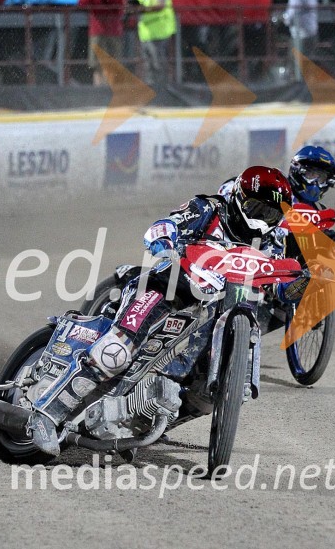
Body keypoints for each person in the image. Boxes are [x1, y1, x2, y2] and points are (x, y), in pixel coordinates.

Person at [27, 166, 307, 456]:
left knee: (208, 396)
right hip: (167, 290)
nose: (261, 220)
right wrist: (165, 247)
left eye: (270, 214)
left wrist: (301, 285)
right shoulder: (209, 208)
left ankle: (137, 423)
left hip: (213, 316)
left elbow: (282, 290)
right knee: (116, 352)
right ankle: (46, 415)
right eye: (256, 208)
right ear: (238, 196)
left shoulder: (273, 241)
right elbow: (163, 227)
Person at [218, 146, 335, 248]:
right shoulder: (274, 184)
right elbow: (229, 188)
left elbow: (334, 255)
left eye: (322, 178)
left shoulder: (318, 214)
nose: (316, 183)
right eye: (312, 175)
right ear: (297, 170)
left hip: (277, 267)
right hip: (242, 243)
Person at [129, 0, 176, 87]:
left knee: (159, 65)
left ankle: (163, 90)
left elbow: (160, 5)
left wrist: (141, 8)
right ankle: (152, 91)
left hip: (161, 32)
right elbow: (132, 6)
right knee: (147, 66)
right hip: (145, 34)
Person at [79, 0, 125, 86]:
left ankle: (111, 90)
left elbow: (120, 5)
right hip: (97, 30)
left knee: (113, 64)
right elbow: (82, 3)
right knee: (97, 65)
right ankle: (98, 91)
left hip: (113, 31)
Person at [283, 0, 318, 80]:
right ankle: (305, 82)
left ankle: (297, 83)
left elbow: (292, 12)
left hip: (300, 34)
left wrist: (284, 19)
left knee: (295, 61)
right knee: (307, 61)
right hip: (312, 31)